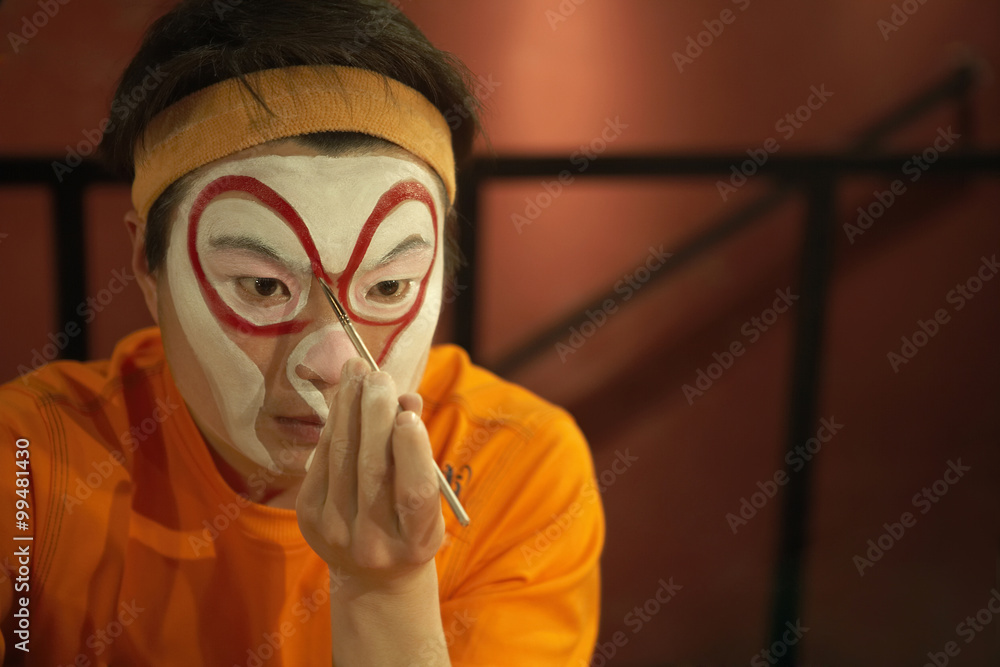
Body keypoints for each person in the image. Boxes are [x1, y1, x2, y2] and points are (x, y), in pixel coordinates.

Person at [0, 1, 604, 665]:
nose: (333, 360)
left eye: (388, 288)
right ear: (147, 263)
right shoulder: (26, 468)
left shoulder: (516, 469)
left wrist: (386, 589)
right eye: (262, 286)